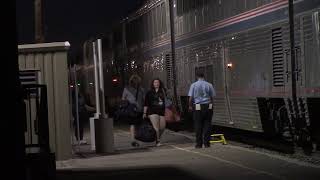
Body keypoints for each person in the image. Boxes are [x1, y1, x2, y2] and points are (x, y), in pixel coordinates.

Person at [188, 72, 216, 148]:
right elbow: (212, 97)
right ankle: (207, 143)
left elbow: (191, 98)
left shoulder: (193, 85)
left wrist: (190, 106)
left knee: (198, 125)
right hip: (208, 106)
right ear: (204, 76)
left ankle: (199, 144)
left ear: (197, 76)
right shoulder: (209, 85)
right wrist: (212, 105)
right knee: (207, 125)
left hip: (197, 107)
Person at [122, 74, 145, 147]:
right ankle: (137, 138)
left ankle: (133, 140)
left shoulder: (126, 89)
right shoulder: (141, 89)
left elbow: (123, 99)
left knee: (132, 125)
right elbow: (144, 100)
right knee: (138, 125)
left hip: (131, 109)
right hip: (140, 109)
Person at [143, 78, 167, 147]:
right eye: (155, 82)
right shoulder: (149, 92)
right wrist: (144, 113)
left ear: (160, 83)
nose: (156, 84)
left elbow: (167, 100)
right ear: (152, 84)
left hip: (161, 111)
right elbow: (146, 103)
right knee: (156, 128)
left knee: (162, 127)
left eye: (157, 82)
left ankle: (156, 137)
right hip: (152, 111)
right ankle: (158, 141)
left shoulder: (163, 91)